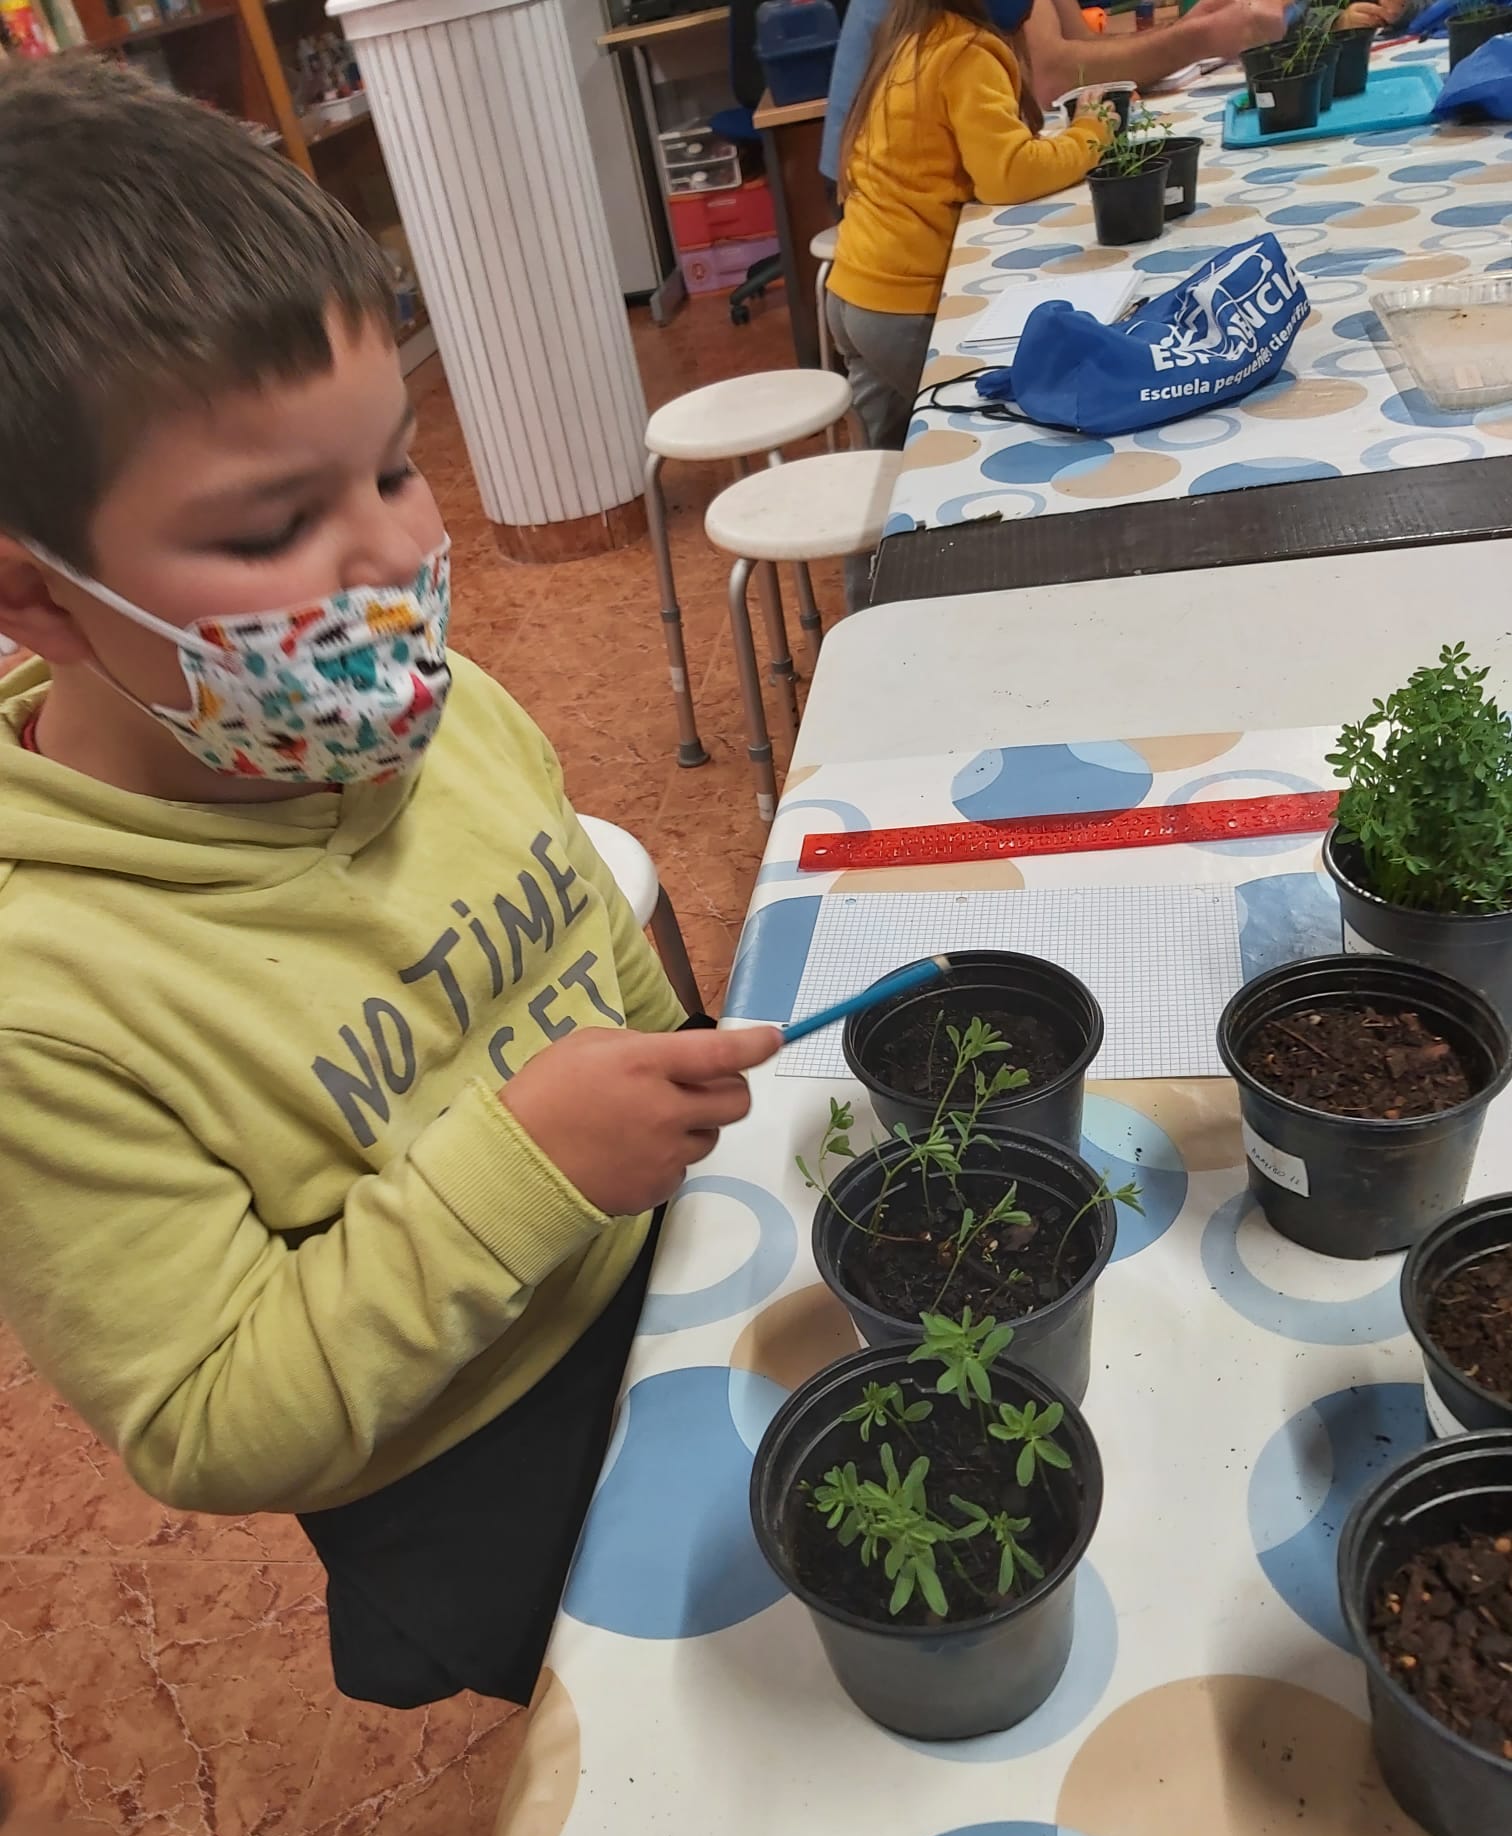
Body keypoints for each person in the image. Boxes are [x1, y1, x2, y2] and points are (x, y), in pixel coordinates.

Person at [0, 57, 780, 1712]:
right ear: (40, 602)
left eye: (391, 470)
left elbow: (596, 945)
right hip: (479, 1479)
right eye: (277, 522)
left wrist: (695, 1083)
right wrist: (530, 1168)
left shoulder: (454, 713)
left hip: (686, 1284)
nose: (386, 569)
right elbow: (206, 1417)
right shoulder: (44, 998)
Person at [827, 0, 1111, 454]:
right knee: (987, 440)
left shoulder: (907, 37)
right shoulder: (967, 51)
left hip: (853, 292)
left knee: (892, 459)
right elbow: (1008, 174)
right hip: (905, 307)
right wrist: (1091, 132)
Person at [821, 0, 1291, 181]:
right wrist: (1206, 38)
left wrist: (1191, 30)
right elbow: (1054, 77)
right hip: (887, 205)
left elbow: (1084, 51)